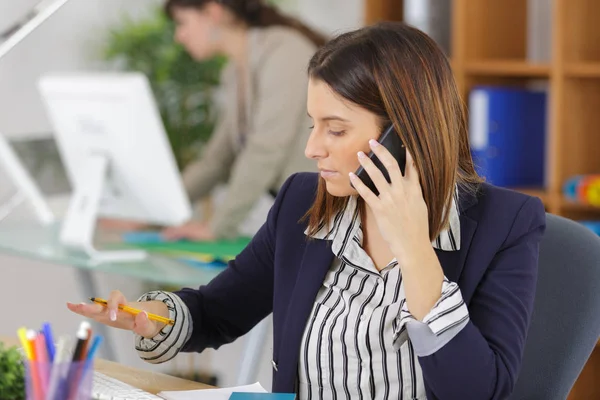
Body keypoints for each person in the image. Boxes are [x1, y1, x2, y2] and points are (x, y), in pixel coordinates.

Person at [69, 22, 546, 399]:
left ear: (401, 137)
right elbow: (217, 312)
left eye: (335, 130)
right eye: (313, 124)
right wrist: (151, 316)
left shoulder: (507, 224)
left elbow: (477, 390)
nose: (312, 148)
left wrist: (413, 247)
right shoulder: (303, 200)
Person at [104, 0, 326, 240]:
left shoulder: (285, 51)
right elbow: (216, 161)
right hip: (296, 215)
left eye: (182, 23)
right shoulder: (234, 72)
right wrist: (149, 213)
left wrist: (216, 227)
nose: (179, 36)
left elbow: (266, 149)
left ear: (213, 12)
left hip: (326, 218)